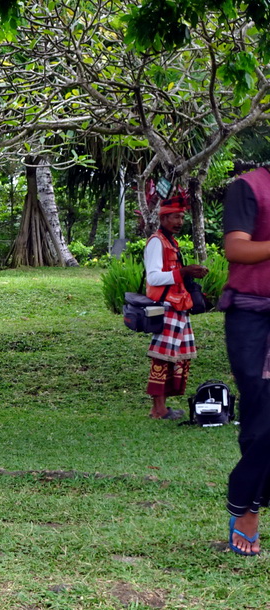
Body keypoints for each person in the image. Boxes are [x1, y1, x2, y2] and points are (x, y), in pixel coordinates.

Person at [220, 167, 270, 555]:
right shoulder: (249, 186)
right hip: (253, 318)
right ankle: (248, 505)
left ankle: (248, 505)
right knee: (259, 416)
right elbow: (237, 248)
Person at [143, 196, 207, 420]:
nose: (180, 221)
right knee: (162, 357)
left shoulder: (170, 242)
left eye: (182, 217)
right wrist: (185, 272)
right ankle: (157, 409)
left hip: (178, 306)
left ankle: (163, 407)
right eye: (175, 217)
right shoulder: (156, 242)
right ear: (164, 217)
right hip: (167, 306)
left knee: (176, 356)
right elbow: (154, 277)